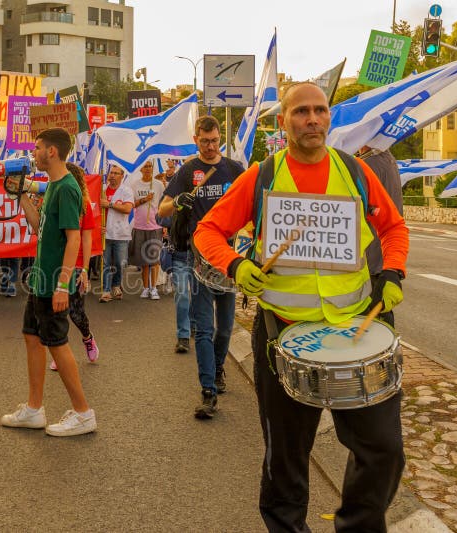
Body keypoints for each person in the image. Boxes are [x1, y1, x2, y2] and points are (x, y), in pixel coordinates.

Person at [194, 82, 409, 532]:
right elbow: (208, 231)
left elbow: (393, 229)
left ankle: (359, 525)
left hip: (355, 335)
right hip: (282, 337)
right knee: (285, 462)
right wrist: (235, 266)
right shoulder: (262, 176)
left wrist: (392, 273)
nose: (313, 119)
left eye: (320, 111)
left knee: (383, 448)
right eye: (301, 112)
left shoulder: (354, 171)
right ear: (282, 121)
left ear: (330, 118)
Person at [0, 127, 96, 437]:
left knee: (57, 344)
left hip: (54, 281)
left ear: (51, 152)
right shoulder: (52, 185)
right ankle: (34, 409)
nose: (34, 152)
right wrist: (21, 196)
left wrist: (62, 285)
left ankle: (83, 413)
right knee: (32, 336)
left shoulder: (67, 187)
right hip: (41, 279)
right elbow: (37, 225)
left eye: (38, 147)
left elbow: (73, 240)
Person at [158, 115, 244, 417]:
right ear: (196, 140)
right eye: (204, 141)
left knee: (226, 329)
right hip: (199, 260)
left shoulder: (234, 170)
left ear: (220, 138)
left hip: (231, 261)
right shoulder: (187, 171)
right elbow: (162, 210)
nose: (210, 146)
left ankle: (219, 369)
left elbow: (254, 206)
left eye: (214, 140)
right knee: (205, 330)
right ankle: (208, 392)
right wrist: (177, 200)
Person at [49, 162, 99, 371]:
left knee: (76, 314)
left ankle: (87, 338)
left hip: (77, 265)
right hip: (55, 265)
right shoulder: (53, 199)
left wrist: (85, 270)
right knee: (56, 311)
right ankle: (61, 352)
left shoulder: (83, 204)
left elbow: (86, 239)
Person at [360, 147, 404, 327]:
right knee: (381, 315)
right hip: (381, 255)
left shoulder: (369, 164)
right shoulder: (388, 160)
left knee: (371, 319)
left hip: (370, 255)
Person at [129, 160, 165, 300]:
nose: (148, 169)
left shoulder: (158, 185)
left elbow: (163, 204)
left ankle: (154, 288)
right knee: (144, 261)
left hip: (155, 226)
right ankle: (145, 288)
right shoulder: (135, 185)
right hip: (140, 226)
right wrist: (145, 199)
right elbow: (132, 205)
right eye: (145, 166)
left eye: (150, 166)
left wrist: (165, 225)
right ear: (141, 169)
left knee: (155, 260)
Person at [98, 164, 133, 302]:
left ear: (121, 176)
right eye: (111, 172)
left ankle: (116, 285)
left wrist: (110, 204)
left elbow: (127, 209)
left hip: (121, 234)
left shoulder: (126, 191)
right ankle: (106, 291)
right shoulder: (102, 190)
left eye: (116, 173)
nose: (112, 175)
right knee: (106, 263)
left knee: (120, 263)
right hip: (105, 233)